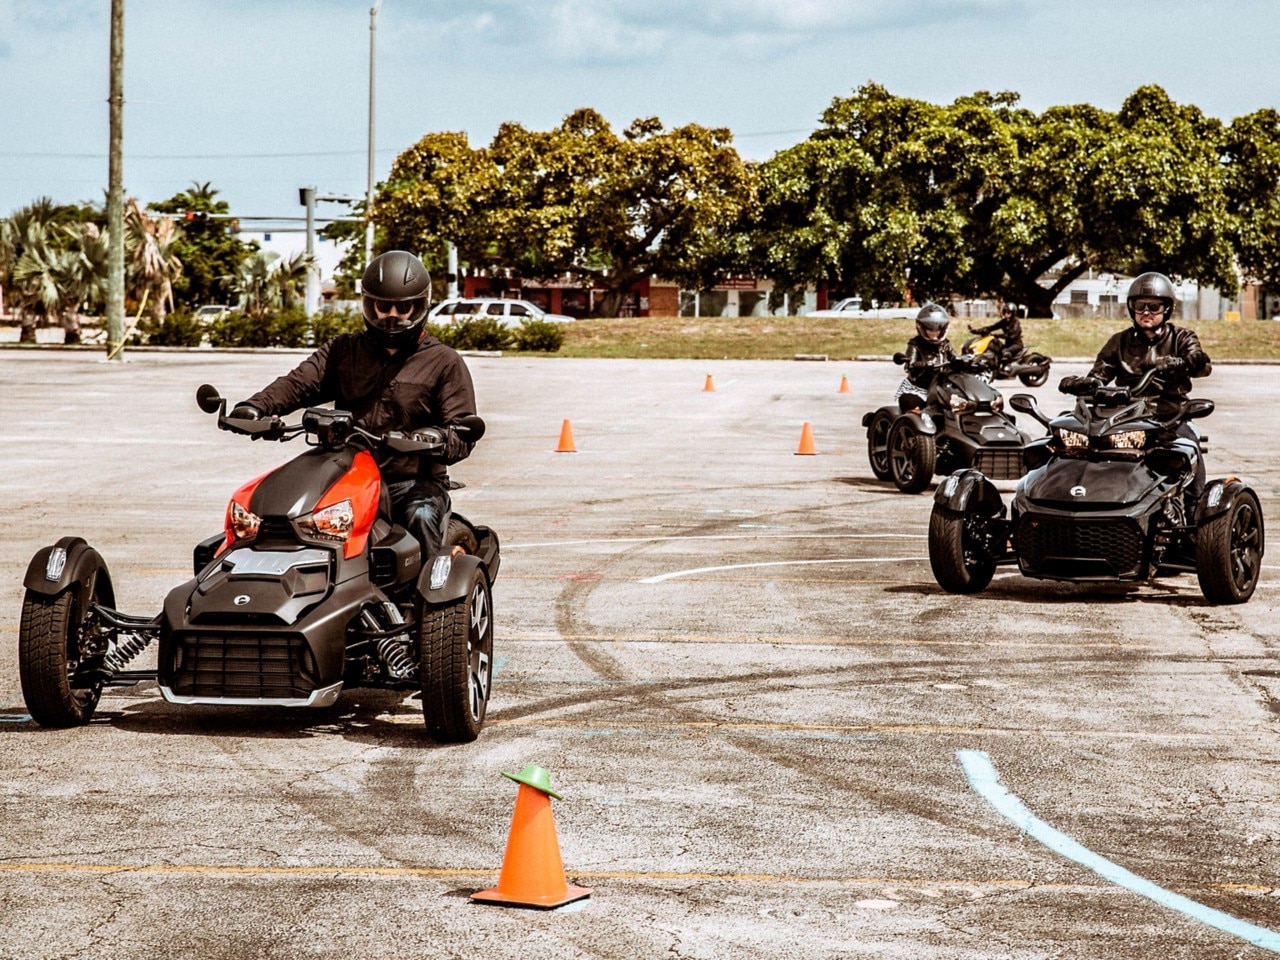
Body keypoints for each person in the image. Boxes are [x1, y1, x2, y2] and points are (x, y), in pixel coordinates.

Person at [229, 250, 477, 557]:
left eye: (403, 306)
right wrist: (255, 407)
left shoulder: (443, 361)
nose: (392, 314)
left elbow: (461, 430)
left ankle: (428, 603)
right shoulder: (342, 351)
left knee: (421, 517)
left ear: (420, 305)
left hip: (410, 482)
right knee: (277, 511)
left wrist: (436, 438)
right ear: (369, 304)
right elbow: (298, 383)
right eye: (383, 306)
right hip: (346, 474)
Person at [1058, 270, 1211, 496]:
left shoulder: (1182, 338)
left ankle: (1194, 512)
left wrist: (1188, 362)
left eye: (1154, 306)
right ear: (1131, 308)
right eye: (1140, 306)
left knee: (1188, 451)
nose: (1146, 312)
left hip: (1169, 418)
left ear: (1167, 308)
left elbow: (1200, 365)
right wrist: (1084, 384)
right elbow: (1099, 375)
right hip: (1126, 418)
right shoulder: (1119, 341)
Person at [895, 302, 956, 410]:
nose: (934, 333)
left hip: (942, 388)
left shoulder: (946, 344)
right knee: (914, 408)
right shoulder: (915, 344)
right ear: (922, 328)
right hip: (918, 389)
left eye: (937, 330)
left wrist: (970, 362)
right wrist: (921, 365)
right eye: (930, 330)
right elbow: (910, 365)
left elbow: (955, 358)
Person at [970, 302, 1024, 367]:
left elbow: (1012, 335)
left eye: (1008, 312)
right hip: (1008, 344)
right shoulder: (1004, 321)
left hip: (1016, 344)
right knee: (995, 348)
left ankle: (1007, 368)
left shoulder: (1016, 322)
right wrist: (977, 331)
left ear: (1013, 313)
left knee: (1004, 352)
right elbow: (991, 327)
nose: (1006, 314)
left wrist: (998, 335)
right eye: (1005, 312)